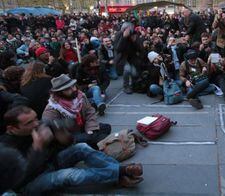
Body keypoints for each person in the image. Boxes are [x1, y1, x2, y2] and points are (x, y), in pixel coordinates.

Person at [0, 105, 143, 194]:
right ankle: (122, 171)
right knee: (69, 175)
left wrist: (63, 137)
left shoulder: (38, 127)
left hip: (51, 164)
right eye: (29, 123)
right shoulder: (5, 148)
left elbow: (67, 140)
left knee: (81, 147)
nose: (36, 124)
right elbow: (19, 177)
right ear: (12, 128)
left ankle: (118, 175)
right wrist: (37, 148)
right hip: (30, 183)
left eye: (36, 119)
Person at [42, 74, 111, 149]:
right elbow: (54, 131)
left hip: (83, 128)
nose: (74, 90)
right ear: (60, 93)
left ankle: (96, 144)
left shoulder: (80, 96)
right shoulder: (52, 109)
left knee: (106, 127)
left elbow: (89, 111)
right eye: (68, 89)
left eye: (73, 86)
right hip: (70, 136)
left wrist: (90, 128)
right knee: (91, 138)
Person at [114, 22, 143, 94]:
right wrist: (124, 38)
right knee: (127, 70)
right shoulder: (119, 34)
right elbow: (118, 49)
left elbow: (140, 48)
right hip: (122, 58)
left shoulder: (134, 35)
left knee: (134, 73)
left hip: (132, 57)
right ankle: (125, 86)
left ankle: (133, 85)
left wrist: (134, 41)